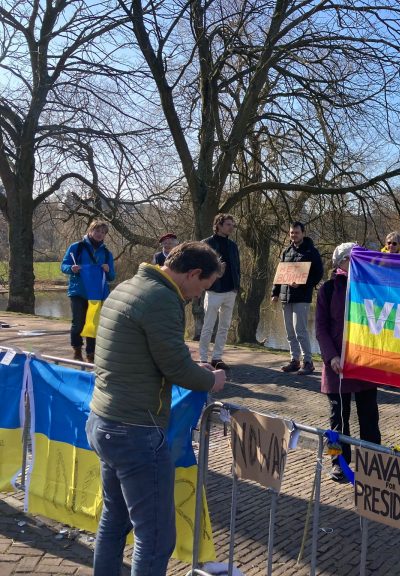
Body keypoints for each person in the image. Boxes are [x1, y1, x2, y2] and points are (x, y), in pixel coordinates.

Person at [86, 241, 227, 576]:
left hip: (104, 420)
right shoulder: (163, 299)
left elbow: (149, 354)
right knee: (157, 537)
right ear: (193, 273)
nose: (199, 296)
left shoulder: (127, 287)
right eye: (203, 286)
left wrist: (189, 366)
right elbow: (176, 369)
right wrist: (212, 380)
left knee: (114, 520)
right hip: (136, 431)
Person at [315, 242, 380, 482]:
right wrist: (331, 356)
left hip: (364, 363)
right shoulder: (328, 289)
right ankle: (338, 463)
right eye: (353, 259)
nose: (357, 263)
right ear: (341, 262)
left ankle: (374, 463)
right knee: (337, 419)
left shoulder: (370, 288)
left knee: (369, 416)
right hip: (337, 365)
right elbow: (320, 328)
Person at [271, 221, 324, 375]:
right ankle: (294, 360)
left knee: (300, 330)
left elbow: (318, 274)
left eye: (297, 232)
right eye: (292, 233)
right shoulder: (286, 251)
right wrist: (275, 293)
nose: (294, 235)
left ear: (303, 233)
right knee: (289, 332)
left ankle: (308, 362)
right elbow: (280, 273)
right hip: (285, 296)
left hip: (302, 296)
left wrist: (302, 283)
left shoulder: (311, 251)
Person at [60, 220, 116, 363]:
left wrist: (108, 270)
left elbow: (112, 277)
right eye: (97, 231)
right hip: (78, 291)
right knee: (78, 323)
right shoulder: (76, 247)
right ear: (90, 231)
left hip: (97, 294)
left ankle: (91, 354)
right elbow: (64, 266)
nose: (99, 234)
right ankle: (77, 350)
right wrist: (71, 268)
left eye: (103, 232)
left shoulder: (106, 253)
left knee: (93, 323)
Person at [200, 214, 241, 370]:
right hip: (213, 291)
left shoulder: (233, 245)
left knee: (224, 327)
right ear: (218, 225)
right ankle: (203, 359)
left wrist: (236, 286)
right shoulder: (206, 244)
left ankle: (217, 358)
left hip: (230, 291)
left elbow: (237, 267)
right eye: (228, 224)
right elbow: (201, 268)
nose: (232, 227)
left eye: (232, 224)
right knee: (208, 326)